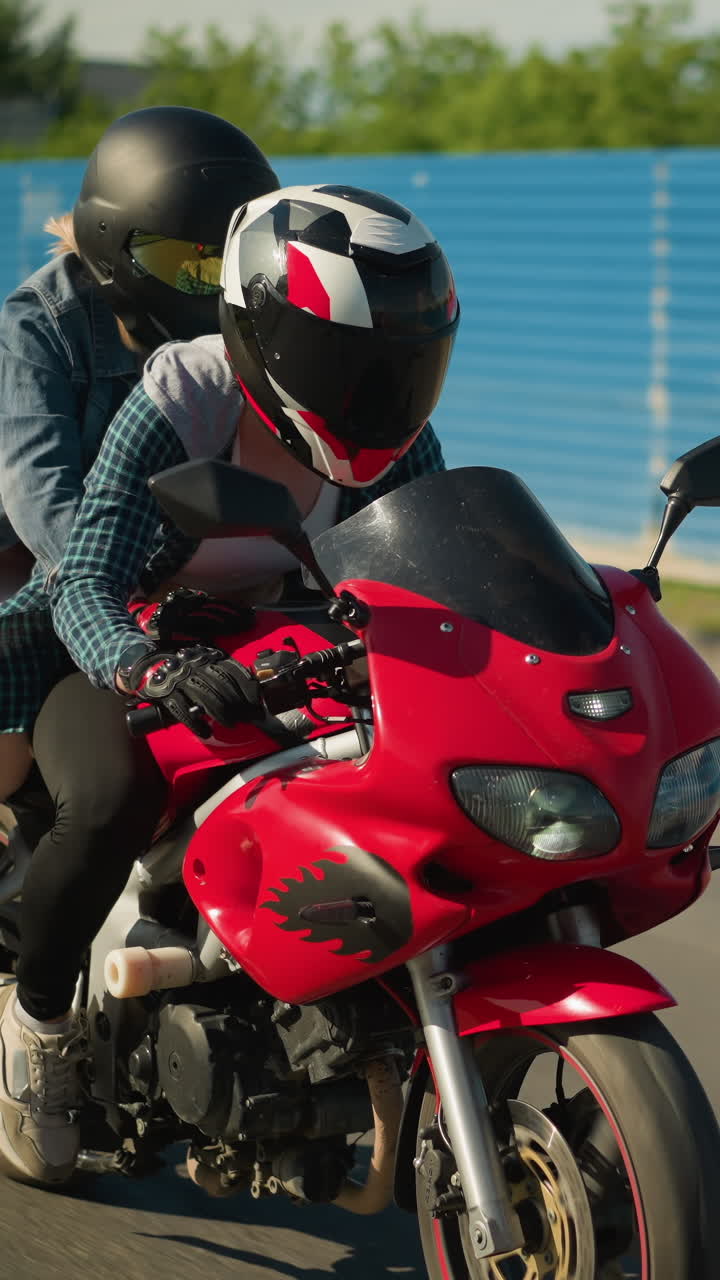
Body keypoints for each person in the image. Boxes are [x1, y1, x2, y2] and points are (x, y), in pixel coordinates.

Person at [0, 183, 460, 1186]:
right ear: (269, 339)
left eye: (402, 363)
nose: (381, 391)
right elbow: (86, 579)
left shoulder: (400, 436)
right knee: (109, 795)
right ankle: (37, 1028)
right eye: (350, 361)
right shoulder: (186, 396)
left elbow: (436, 570)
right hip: (123, 645)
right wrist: (147, 666)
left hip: (286, 650)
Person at [0, 103, 280, 801]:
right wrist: (119, 600)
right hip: (38, 564)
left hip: (174, 573)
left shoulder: (252, 317)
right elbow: (40, 495)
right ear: (113, 244)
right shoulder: (40, 324)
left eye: (224, 266)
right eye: (186, 267)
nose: (211, 288)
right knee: (7, 756)